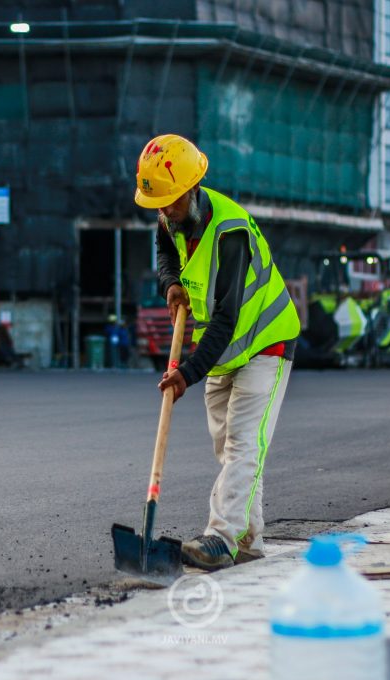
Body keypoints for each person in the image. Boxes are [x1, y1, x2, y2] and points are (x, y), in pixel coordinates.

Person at [137, 134, 300, 571]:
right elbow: (164, 248)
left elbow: (226, 318)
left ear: (192, 188)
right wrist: (170, 283)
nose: (165, 211)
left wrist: (186, 374)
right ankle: (249, 539)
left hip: (265, 343)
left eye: (171, 202)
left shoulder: (230, 232)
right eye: (159, 204)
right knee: (229, 450)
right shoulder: (170, 213)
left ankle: (220, 538)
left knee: (246, 443)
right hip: (224, 352)